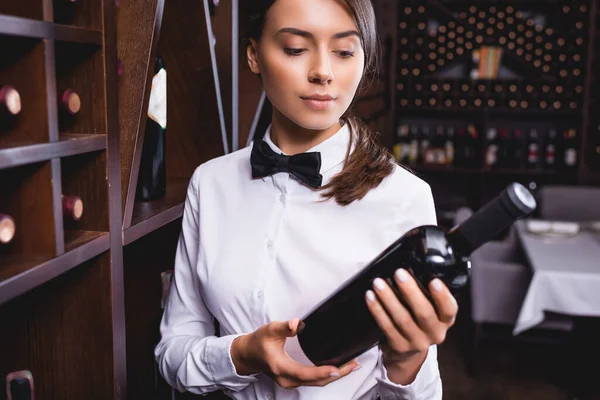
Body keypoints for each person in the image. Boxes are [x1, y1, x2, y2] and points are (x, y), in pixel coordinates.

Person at [154, 0, 458, 398]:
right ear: (254, 55)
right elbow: (172, 354)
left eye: (345, 51)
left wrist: (407, 362)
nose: (323, 72)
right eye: (296, 49)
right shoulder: (210, 184)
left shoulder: (405, 197)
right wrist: (242, 354)